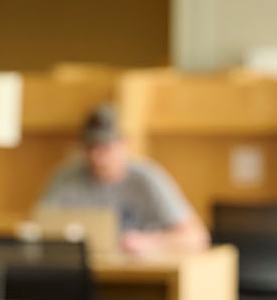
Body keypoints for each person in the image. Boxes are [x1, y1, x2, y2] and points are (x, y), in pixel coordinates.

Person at [36, 104, 209, 256]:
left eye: (105, 148)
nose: (97, 157)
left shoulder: (147, 179)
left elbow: (196, 238)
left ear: (124, 144)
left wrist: (150, 243)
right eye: (90, 148)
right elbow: (40, 229)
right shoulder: (66, 178)